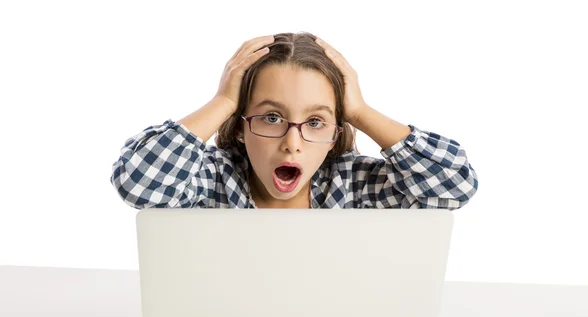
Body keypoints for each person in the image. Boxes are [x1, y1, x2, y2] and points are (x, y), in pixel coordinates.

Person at [110, 32, 479, 210]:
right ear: (240, 126)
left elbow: (455, 185)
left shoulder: (354, 187)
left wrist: (361, 113)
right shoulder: (210, 182)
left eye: (315, 122)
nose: (293, 143)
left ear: (336, 135)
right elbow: (138, 183)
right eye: (272, 117)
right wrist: (223, 101)